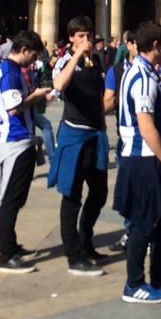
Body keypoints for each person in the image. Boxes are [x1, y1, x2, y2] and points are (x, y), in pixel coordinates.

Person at [114, 21, 161, 304]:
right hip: (142, 157)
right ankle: (134, 284)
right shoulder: (143, 79)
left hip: (144, 156)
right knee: (144, 221)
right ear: (156, 45)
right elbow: (146, 126)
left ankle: (157, 275)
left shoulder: (145, 72)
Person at [48, 16, 112, 277]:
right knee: (72, 196)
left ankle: (86, 240)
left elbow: (99, 96)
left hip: (95, 134)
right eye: (81, 35)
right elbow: (59, 85)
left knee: (98, 192)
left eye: (89, 35)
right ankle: (73, 255)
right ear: (72, 37)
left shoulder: (96, 61)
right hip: (74, 136)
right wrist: (75, 56)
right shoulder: (65, 61)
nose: (87, 40)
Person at [0, 30, 52, 274]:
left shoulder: (10, 69)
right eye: (33, 55)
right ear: (23, 50)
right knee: (11, 199)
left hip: (20, 138)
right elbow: (14, 108)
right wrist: (36, 95)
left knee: (16, 197)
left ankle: (11, 245)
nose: (34, 60)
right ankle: (6, 254)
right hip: (14, 140)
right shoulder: (11, 72)